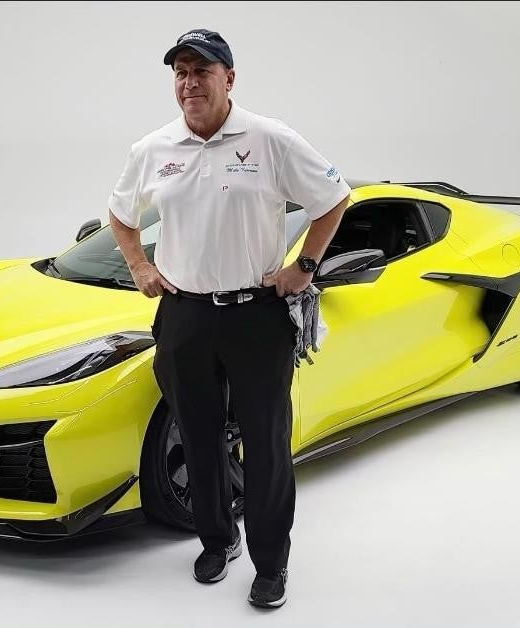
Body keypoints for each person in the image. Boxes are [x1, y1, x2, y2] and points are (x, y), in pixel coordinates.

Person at [106, 28, 350, 609]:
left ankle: (271, 563)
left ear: (229, 78)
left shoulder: (270, 139)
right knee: (198, 436)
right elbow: (120, 215)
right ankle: (218, 540)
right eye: (181, 72)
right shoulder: (153, 149)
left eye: (202, 71)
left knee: (266, 443)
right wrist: (139, 265)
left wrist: (304, 266)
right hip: (184, 315)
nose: (190, 83)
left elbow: (334, 198)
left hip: (255, 316)